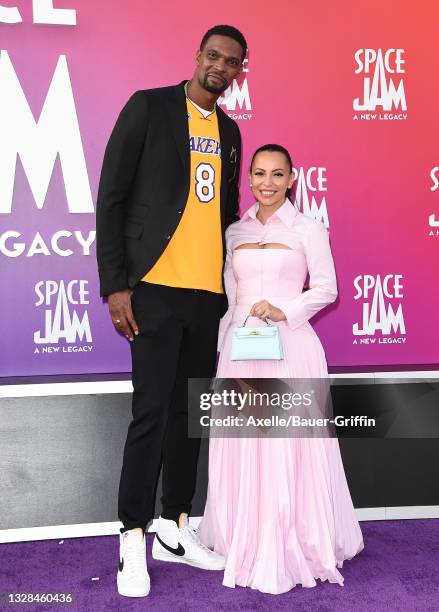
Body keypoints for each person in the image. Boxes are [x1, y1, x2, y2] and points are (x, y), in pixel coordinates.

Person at [96, 25, 246, 598]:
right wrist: (116, 285)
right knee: (151, 415)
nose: (220, 67)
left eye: (232, 63)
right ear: (197, 56)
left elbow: (226, 213)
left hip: (207, 296)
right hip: (153, 288)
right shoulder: (150, 107)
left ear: (239, 71)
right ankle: (132, 534)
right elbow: (111, 196)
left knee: (188, 416)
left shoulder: (229, 131)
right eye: (213, 56)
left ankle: (175, 527)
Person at [198, 144, 364, 594]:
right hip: (241, 346)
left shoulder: (309, 229)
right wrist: (221, 348)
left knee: (288, 445)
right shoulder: (234, 231)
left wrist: (284, 310)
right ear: (247, 179)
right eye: (258, 174)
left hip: (291, 345)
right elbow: (231, 299)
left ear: (293, 178)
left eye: (276, 174)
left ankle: (298, 536)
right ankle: (241, 534)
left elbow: (326, 289)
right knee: (246, 443)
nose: (266, 183)